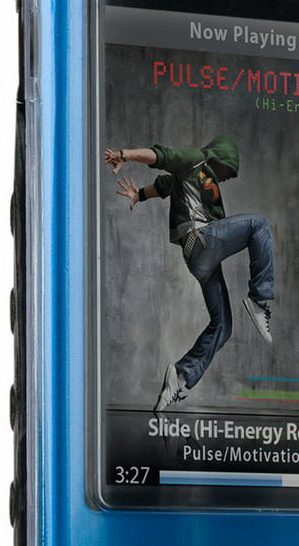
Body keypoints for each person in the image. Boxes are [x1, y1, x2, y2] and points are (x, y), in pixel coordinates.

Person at [105, 134, 274, 413]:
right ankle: (260, 299)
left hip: (199, 259)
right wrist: (125, 154)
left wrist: (140, 194)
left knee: (223, 325)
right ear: (221, 157)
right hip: (201, 238)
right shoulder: (195, 160)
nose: (228, 178)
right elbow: (161, 156)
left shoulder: (188, 179)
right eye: (229, 171)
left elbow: (164, 185)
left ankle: (180, 379)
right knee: (259, 225)